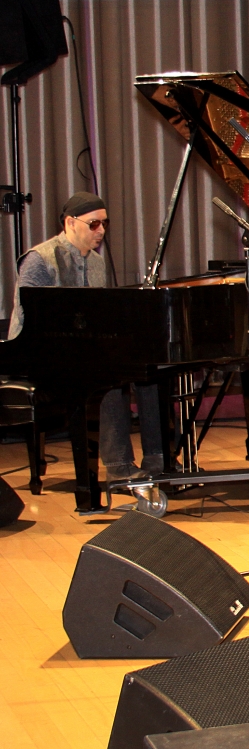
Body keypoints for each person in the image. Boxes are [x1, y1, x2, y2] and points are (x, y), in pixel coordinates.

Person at [9, 192, 165, 512]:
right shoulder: (39, 259)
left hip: (77, 349)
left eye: (104, 223)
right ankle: (119, 466)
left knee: (148, 371)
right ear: (70, 223)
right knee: (102, 381)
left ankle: (157, 459)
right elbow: (30, 322)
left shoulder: (95, 261)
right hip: (36, 354)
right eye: (94, 223)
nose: (101, 230)